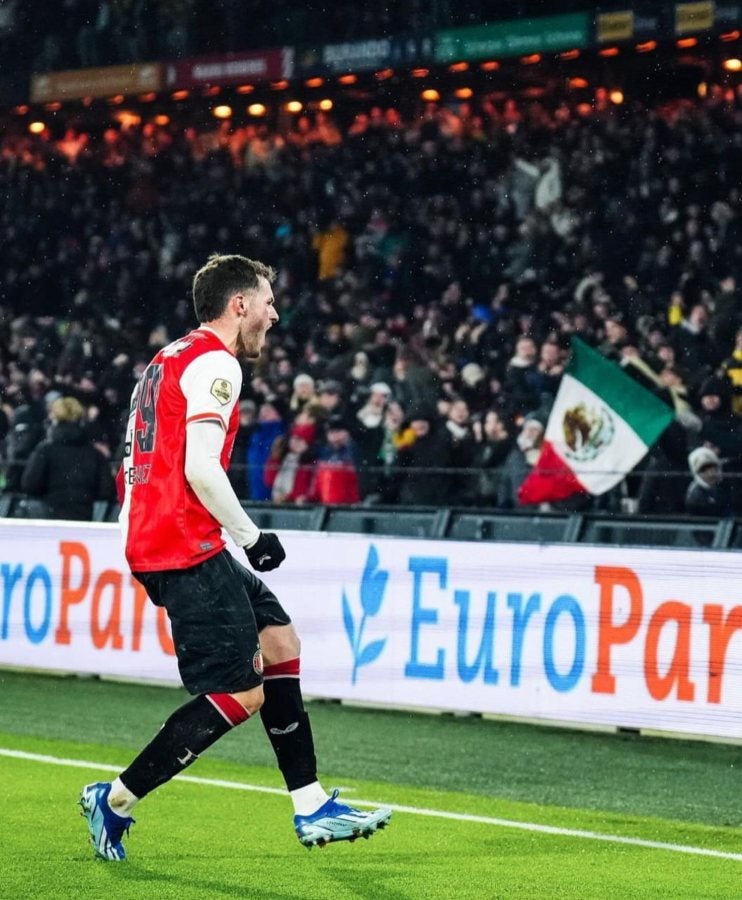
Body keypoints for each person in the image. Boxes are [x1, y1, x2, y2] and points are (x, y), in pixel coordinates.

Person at [79, 254, 391, 861]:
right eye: (268, 301)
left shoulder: (168, 357)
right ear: (239, 303)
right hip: (182, 541)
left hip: (170, 535)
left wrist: (137, 529)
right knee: (241, 694)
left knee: (281, 645)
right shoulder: (217, 362)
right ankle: (113, 799)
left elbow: (140, 456)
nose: (275, 313)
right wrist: (252, 535)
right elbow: (199, 464)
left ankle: (310, 806)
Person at [20, 396, 116, 520]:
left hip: (49, 517)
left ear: (54, 419)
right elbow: (106, 490)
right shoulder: (94, 454)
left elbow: (30, 485)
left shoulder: (45, 451)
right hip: (84, 518)